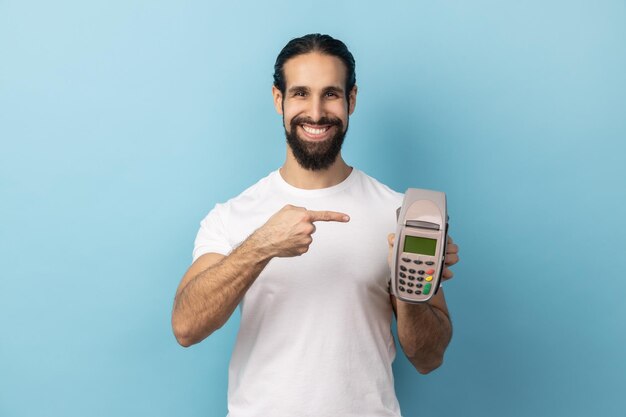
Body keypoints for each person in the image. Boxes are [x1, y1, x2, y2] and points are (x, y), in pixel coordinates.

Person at [171, 33, 459, 417]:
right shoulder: (233, 215)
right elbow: (186, 327)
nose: (317, 112)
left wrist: (409, 293)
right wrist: (262, 246)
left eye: (331, 94)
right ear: (280, 100)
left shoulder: (399, 214)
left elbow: (429, 357)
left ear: (351, 99)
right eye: (301, 93)